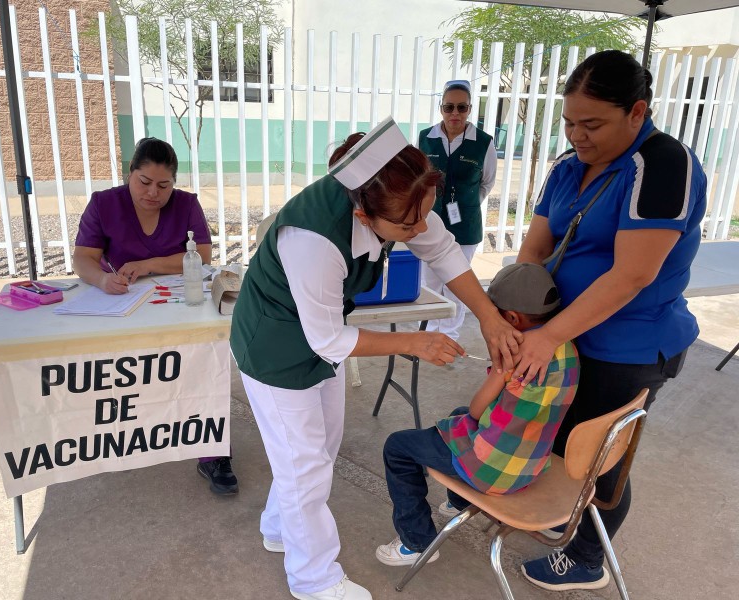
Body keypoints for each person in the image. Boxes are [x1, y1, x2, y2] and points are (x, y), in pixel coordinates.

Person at [229, 117, 522, 600]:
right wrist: (413, 343)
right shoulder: (313, 239)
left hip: (319, 339)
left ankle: (280, 527)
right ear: (364, 216)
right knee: (305, 465)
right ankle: (313, 579)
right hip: (274, 348)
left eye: (424, 214)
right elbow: (329, 339)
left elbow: (443, 250)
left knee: (320, 450)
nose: (419, 229)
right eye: (407, 226)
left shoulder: (399, 197)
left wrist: (489, 317)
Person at [511, 51, 707, 592]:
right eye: (569, 122)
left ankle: (587, 558)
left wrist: (548, 335)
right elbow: (536, 247)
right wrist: (522, 312)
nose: (578, 135)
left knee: (598, 458)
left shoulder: (663, 164)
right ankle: (561, 515)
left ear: (637, 112)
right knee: (553, 438)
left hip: (629, 347)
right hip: (560, 336)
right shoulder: (568, 166)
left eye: (593, 124)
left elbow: (632, 275)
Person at [375, 263, 579, 566]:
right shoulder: (567, 348)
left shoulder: (516, 353)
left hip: (493, 470)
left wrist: (499, 368)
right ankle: (459, 502)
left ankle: (416, 542)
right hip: (530, 463)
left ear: (512, 318)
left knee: (398, 447)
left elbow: (478, 409)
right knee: (457, 417)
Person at [73, 137, 238, 496]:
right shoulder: (104, 203)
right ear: (129, 174)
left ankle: (213, 453)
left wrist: (147, 265)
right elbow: (84, 257)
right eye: (144, 182)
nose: (153, 193)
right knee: (130, 376)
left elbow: (202, 256)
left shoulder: (186, 204)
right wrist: (102, 279)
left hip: (182, 303)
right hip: (125, 303)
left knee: (204, 364)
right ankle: (132, 438)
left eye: (164, 185)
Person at [418, 79, 497, 340]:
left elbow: (487, 182)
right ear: (441, 108)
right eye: (449, 107)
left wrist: (467, 203)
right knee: (430, 282)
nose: (455, 113)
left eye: (462, 107)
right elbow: (419, 178)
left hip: (465, 224)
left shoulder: (483, 142)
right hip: (430, 221)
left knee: (457, 285)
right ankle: (430, 333)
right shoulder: (425, 138)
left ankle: (450, 335)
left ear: (470, 109)